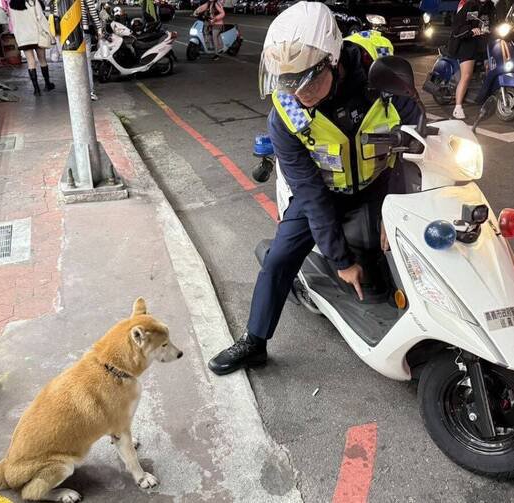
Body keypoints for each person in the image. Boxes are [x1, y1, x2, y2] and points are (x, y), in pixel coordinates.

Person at [207, 2, 419, 376]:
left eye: (305, 80)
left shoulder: (380, 74)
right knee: (278, 259)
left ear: (332, 61)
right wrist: (341, 261)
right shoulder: (286, 113)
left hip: (382, 183)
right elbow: (308, 191)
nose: (296, 93)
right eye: (285, 82)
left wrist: (402, 206)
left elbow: (417, 135)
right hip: (325, 191)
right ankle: (254, 341)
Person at [447, 0, 495, 119]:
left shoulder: (491, 6)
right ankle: (458, 107)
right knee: (466, 75)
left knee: (492, 69)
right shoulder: (469, 5)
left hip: (484, 44)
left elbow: (496, 22)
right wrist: (470, 30)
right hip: (468, 44)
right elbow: (457, 26)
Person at [7, 0, 55, 95]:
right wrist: (50, 35)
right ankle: (47, 84)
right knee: (42, 60)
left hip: (23, 37)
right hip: (37, 35)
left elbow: (13, 22)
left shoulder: (12, 4)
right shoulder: (33, 2)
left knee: (30, 62)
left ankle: (36, 89)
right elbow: (41, 18)